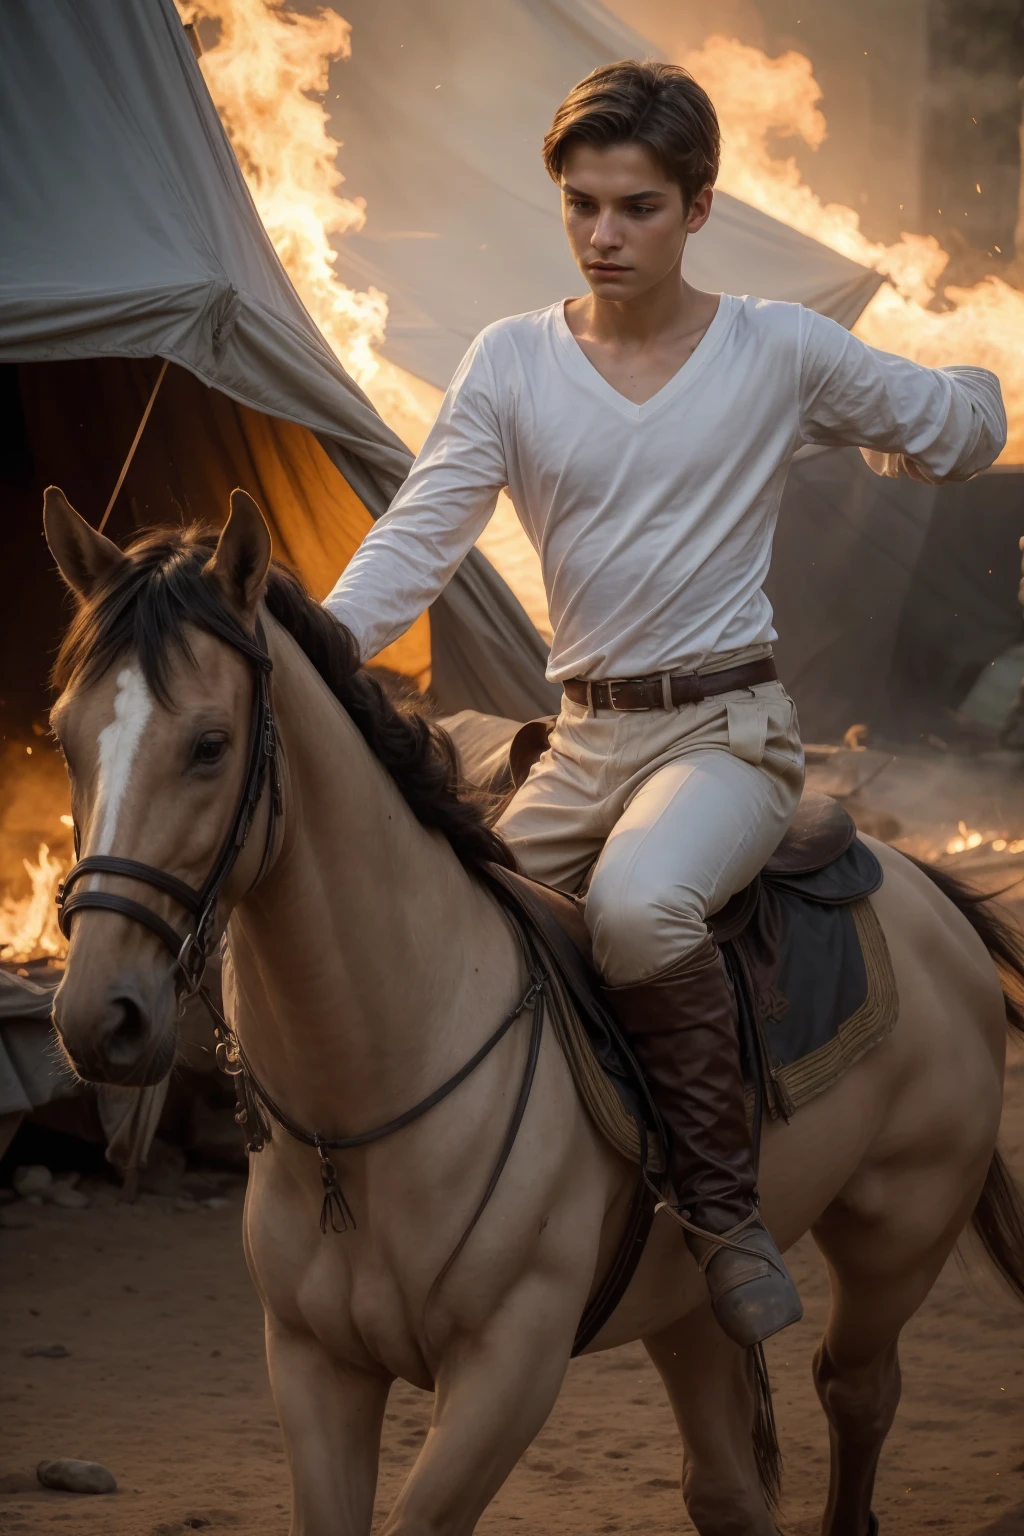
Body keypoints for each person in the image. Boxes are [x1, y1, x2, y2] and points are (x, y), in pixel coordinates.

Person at [323, 60, 1006, 1347]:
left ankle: (721, 1212)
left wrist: (969, 395)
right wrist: (301, 645)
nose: (601, 235)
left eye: (635, 207)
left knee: (640, 910)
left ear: (698, 207)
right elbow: (418, 539)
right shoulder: (511, 362)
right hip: (579, 743)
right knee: (451, 945)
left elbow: (952, 432)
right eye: (580, 205)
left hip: (726, 735)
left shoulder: (777, 347)